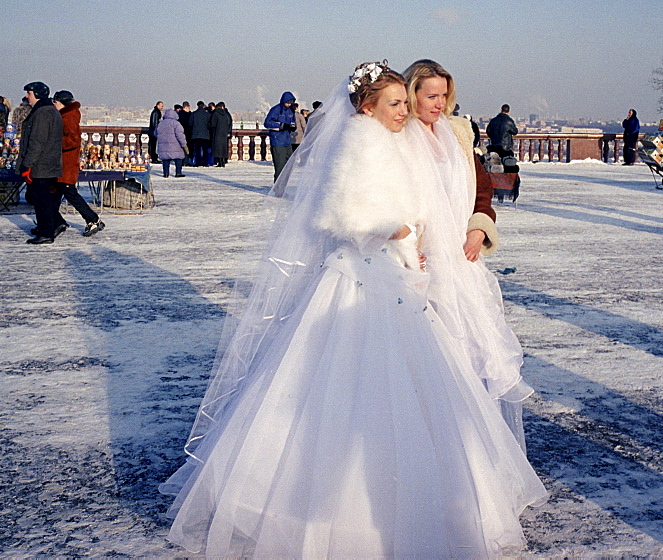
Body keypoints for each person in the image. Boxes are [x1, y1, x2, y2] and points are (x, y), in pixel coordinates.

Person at [160, 62, 547, 557]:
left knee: (416, 376)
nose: (408, 111)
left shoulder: (403, 136)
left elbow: (440, 194)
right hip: (370, 275)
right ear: (368, 105)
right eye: (399, 102)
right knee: (359, 383)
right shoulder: (363, 140)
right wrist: (404, 233)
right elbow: (342, 212)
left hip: (400, 272)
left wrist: (426, 236)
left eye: (411, 103)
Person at [402, 59, 531, 447]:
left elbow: (483, 190)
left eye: (445, 96)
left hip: (462, 262)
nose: (440, 104)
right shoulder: (397, 136)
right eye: (432, 96)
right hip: (419, 267)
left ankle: (469, 447)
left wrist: (479, 227)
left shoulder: (457, 134)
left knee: (472, 359)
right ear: (412, 95)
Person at [52, 90, 105, 237]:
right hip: (62, 164)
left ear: (62, 103)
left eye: (55, 102)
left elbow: (73, 140)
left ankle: (93, 219)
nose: (54, 105)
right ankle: (54, 221)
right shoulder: (66, 116)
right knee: (54, 195)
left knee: (69, 193)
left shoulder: (68, 118)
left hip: (66, 164)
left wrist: (54, 143)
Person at [16, 81, 63, 245]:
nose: (27, 97)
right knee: (43, 199)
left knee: (40, 199)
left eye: (29, 93)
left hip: (41, 164)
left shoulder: (42, 113)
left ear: (36, 94)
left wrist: (27, 164)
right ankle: (49, 226)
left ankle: (46, 232)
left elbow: (37, 141)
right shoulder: (49, 110)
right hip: (48, 162)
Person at [263, 91, 296, 180]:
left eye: (290, 103)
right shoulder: (276, 109)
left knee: (289, 166)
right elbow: (267, 123)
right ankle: (278, 189)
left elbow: (292, 121)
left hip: (287, 141)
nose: (289, 104)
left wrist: (293, 126)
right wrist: (281, 125)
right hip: (277, 142)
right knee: (280, 167)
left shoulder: (290, 111)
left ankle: (284, 187)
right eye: (287, 102)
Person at [156, 107, 188, 178]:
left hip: (164, 145)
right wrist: (184, 145)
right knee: (178, 158)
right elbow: (180, 135)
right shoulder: (176, 124)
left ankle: (166, 173)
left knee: (165, 159)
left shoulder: (161, 123)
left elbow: (156, 133)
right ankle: (178, 172)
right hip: (175, 145)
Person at [189, 101, 212, 167]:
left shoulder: (193, 114)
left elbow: (190, 124)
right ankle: (205, 162)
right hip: (205, 135)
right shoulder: (208, 115)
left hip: (196, 135)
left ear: (197, 106)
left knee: (197, 150)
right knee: (205, 150)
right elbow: (210, 124)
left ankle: (198, 162)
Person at [210, 101, 232, 167]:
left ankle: (219, 162)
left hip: (217, 133)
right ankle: (223, 161)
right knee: (223, 148)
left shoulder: (216, 114)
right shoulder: (225, 114)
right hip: (224, 133)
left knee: (218, 148)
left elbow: (213, 124)